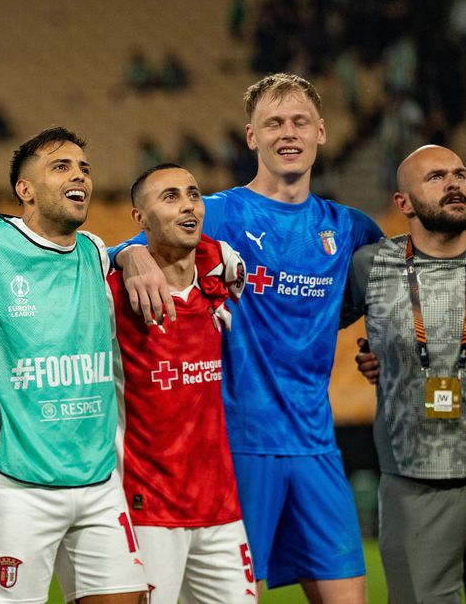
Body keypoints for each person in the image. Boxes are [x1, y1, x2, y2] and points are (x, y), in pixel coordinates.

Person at [115, 72, 383, 602]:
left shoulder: (351, 226)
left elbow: (387, 285)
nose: (289, 133)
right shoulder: (220, 212)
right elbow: (134, 239)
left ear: (321, 132)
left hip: (316, 445)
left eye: (300, 122)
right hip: (238, 446)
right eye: (274, 123)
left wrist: (381, 344)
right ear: (250, 136)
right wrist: (131, 253)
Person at [0, 127, 147, 603]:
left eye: (84, 168)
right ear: (24, 190)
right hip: (16, 477)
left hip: (98, 475)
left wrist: (133, 250)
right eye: (61, 167)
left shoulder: (92, 250)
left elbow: (135, 253)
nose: (80, 176)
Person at [345, 145, 466, 603]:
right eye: (437, 177)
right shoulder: (370, 266)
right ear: (402, 202)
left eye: (460, 174)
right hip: (412, 486)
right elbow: (308, 329)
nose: (454, 184)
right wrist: (379, 354)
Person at [115, 163, 254, 602]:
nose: (188, 204)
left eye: (193, 194)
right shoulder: (114, 292)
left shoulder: (221, 275)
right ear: (140, 219)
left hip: (221, 507)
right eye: (170, 196)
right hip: (148, 507)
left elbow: (212, 253)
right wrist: (127, 252)